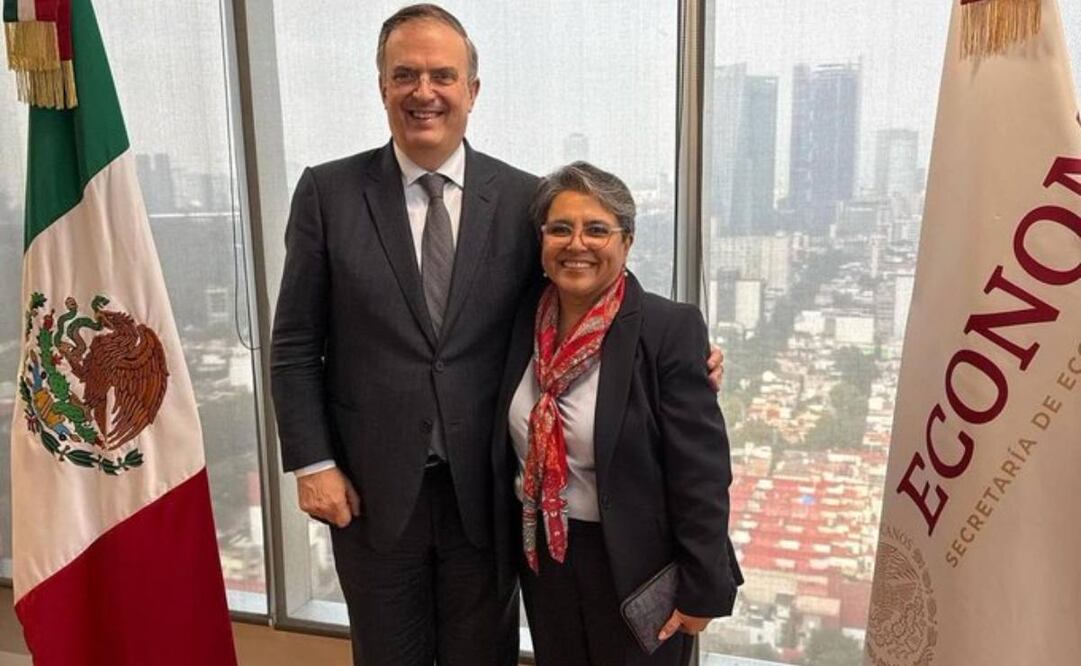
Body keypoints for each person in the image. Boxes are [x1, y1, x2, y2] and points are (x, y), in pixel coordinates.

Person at [270, 5, 723, 665]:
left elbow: (584, 275)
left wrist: (670, 354)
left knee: (482, 656)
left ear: (471, 92)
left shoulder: (520, 199)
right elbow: (293, 348)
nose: (424, 92)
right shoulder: (327, 193)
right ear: (382, 86)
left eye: (442, 75)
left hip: (488, 494)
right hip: (369, 491)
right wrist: (312, 463)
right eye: (405, 75)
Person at [491, 162, 743, 666]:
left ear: (626, 242)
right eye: (560, 228)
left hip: (636, 568)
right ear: (541, 244)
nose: (576, 243)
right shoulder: (520, 321)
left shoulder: (666, 329)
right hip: (545, 559)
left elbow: (701, 472)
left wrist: (702, 589)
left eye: (597, 229)